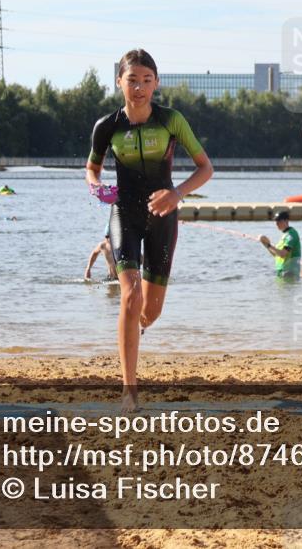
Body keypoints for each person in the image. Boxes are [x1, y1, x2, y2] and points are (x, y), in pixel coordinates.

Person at [85, 48, 213, 412]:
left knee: (150, 311)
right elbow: (92, 169)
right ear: (119, 82)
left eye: (146, 80)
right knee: (130, 295)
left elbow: (205, 168)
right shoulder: (106, 126)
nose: (139, 88)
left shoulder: (171, 120)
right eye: (132, 80)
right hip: (124, 213)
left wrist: (176, 194)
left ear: (156, 83)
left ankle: (135, 328)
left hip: (163, 215)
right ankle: (129, 390)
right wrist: (97, 187)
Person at [259, 211, 302, 279]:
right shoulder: (285, 235)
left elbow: (282, 254)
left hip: (290, 272)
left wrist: (269, 245)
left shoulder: (291, 235)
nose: (277, 223)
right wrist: (265, 243)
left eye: (279, 221)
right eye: (276, 221)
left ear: (286, 221)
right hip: (281, 271)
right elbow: (276, 254)